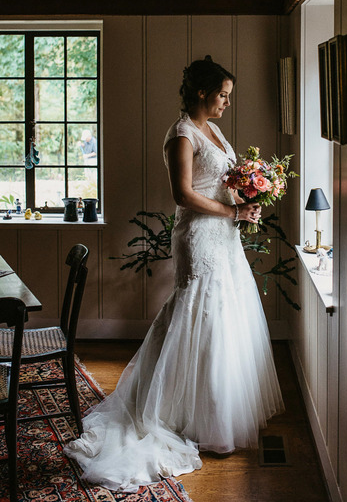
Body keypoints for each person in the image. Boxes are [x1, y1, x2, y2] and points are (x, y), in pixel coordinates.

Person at [65, 56, 283, 491]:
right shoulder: (181, 134)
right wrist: (232, 209)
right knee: (200, 313)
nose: (225, 103)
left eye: (228, 96)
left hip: (224, 235)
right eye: (222, 95)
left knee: (224, 314)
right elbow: (183, 194)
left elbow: (219, 180)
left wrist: (248, 196)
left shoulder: (213, 130)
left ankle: (213, 412)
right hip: (200, 238)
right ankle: (179, 414)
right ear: (201, 92)